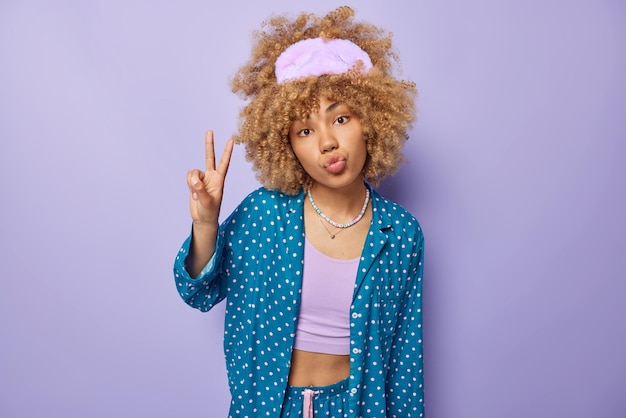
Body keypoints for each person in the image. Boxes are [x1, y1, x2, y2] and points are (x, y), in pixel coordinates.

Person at [173, 6, 424, 417]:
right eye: (305, 130)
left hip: (357, 407)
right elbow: (198, 291)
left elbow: (404, 364)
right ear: (286, 145)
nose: (327, 142)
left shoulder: (401, 232)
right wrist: (205, 226)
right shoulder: (264, 214)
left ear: (372, 119)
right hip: (269, 407)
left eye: (340, 118)